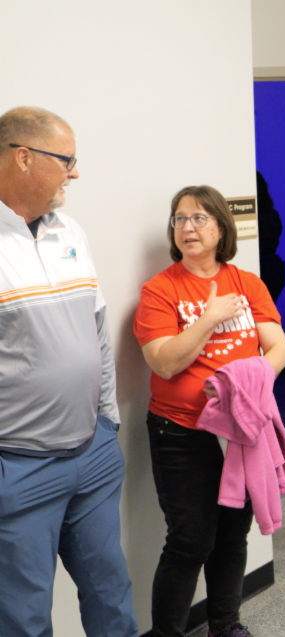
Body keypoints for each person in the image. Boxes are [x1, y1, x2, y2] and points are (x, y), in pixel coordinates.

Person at [0, 106, 138, 637]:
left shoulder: (69, 230)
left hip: (91, 452)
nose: (75, 173)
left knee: (111, 593)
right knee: (24, 617)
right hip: (20, 464)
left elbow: (96, 328)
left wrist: (107, 421)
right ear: (24, 158)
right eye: (66, 160)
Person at [135, 185, 285, 637]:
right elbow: (164, 362)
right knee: (190, 540)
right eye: (180, 219)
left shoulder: (247, 283)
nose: (188, 227)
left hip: (241, 430)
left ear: (221, 228)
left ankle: (225, 625)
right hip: (181, 432)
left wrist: (244, 388)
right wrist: (207, 317)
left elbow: (278, 348)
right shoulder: (160, 290)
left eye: (200, 218)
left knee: (232, 533)